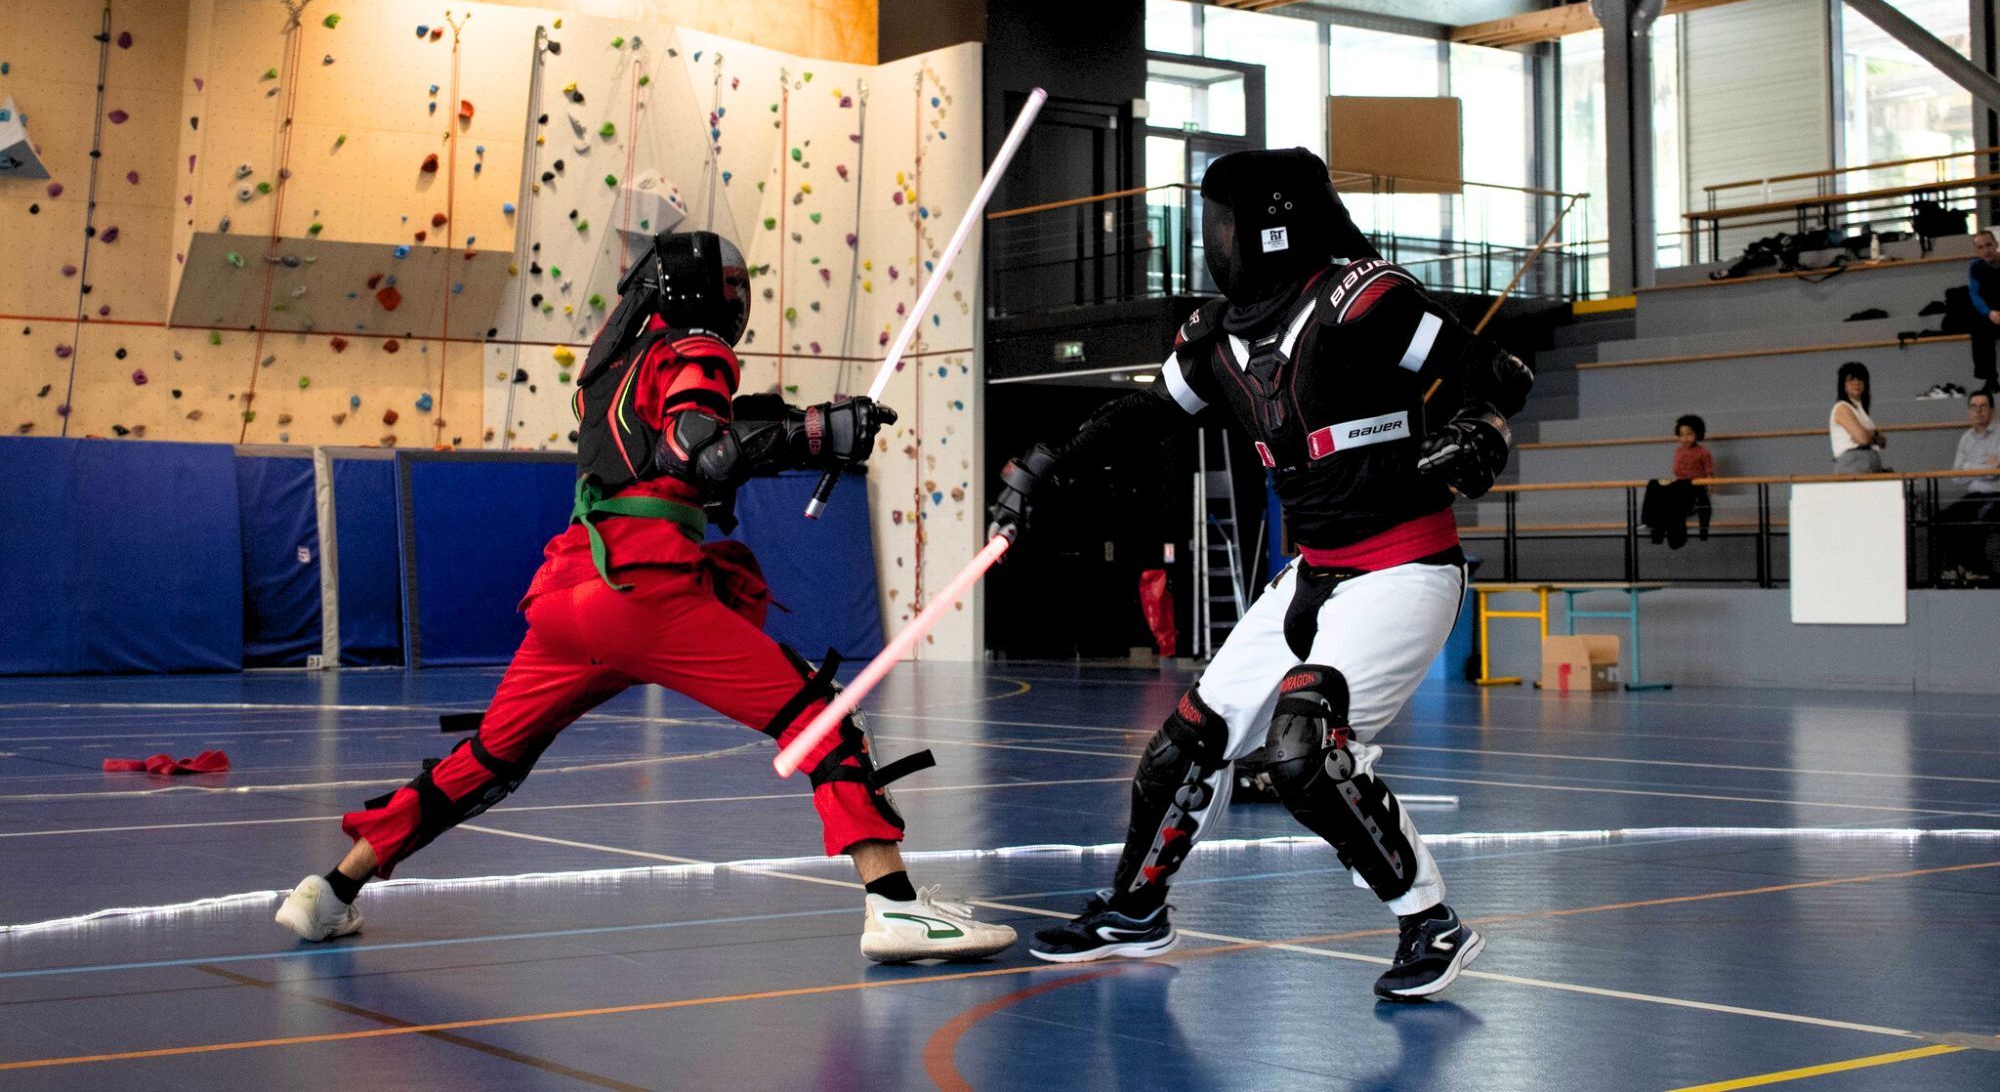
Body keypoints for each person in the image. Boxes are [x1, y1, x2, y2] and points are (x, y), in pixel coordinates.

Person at [275, 232, 1015, 964]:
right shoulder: (699, 348)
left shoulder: (617, 367)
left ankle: (330, 891)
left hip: (569, 594)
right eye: (727, 285)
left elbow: (703, 431)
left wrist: (811, 430)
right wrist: (812, 436)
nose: (733, 299)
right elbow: (700, 448)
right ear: (704, 291)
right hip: (644, 589)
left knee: (487, 760)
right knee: (823, 717)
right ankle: (894, 907)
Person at [988, 148, 1532, 1001]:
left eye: (1226, 220)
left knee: (1305, 749)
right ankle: (1136, 909)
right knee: (1185, 745)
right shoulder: (1218, 335)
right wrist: (1046, 464)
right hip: (1313, 573)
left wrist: (1480, 429)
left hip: (1403, 567)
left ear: (1274, 223)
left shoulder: (1366, 298)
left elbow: (1489, 371)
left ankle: (1431, 921)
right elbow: (1146, 412)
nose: (1215, 238)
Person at [1939, 389, 2000, 583]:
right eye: (1974, 407)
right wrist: (1983, 466)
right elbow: (1956, 477)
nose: (1978, 411)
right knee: (1942, 520)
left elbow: (1993, 473)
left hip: (1996, 495)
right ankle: (1961, 566)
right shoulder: (1966, 438)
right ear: (1969, 411)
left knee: (1978, 520)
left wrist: (1969, 467)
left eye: (1983, 406)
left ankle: (1978, 569)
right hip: (1974, 496)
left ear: (1992, 410)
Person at [1831, 361, 1889, 474]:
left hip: (1868, 462)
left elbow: (1883, 442)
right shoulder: (1842, 407)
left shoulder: (1860, 409)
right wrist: (1873, 434)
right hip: (1854, 463)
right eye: (1851, 380)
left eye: (1860, 380)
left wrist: (1870, 434)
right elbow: (1862, 438)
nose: (1856, 383)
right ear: (1843, 385)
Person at [1965, 230, 2000, 395]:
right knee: (1978, 327)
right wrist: (1989, 312)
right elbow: (1975, 294)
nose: (1986, 250)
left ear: (1996, 245)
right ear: (1976, 252)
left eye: (1988, 245)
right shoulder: (1976, 267)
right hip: (1990, 311)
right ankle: (1990, 378)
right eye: (1980, 247)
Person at [1672, 413, 1715, 540]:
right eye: (1682, 435)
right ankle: (1680, 530)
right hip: (1681, 485)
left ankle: (1703, 532)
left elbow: (1709, 471)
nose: (1685, 438)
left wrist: (1710, 484)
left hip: (1697, 485)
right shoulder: (1678, 451)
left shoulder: (1703, 452)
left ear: (1698, 434)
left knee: (1705, 506)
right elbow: (1676, 469)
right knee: (1678, 506)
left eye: (1689, 434)